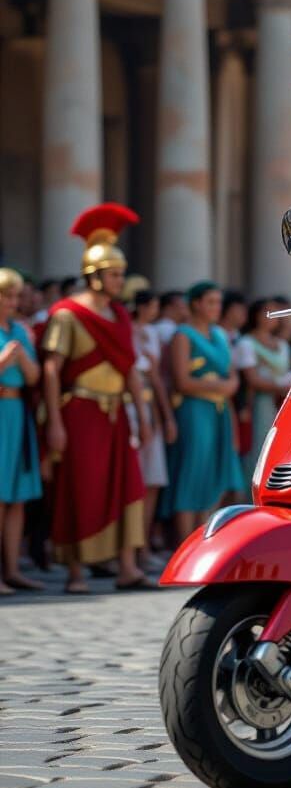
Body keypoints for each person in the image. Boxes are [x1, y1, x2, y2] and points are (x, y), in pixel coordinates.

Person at [40, 204, 152, 592]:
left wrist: (142, 414)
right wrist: (53, 421)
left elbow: (129, 370)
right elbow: (53, 369)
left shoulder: (120, 316)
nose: (121, 281)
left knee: (127, 485)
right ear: (95, 276)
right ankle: (75, 572)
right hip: (79, 411)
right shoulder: (67, 315)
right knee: (80, 488)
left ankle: (127, 567)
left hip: (115, 412)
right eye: (115, 274)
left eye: (121, 274)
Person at [160, 281, 245, 545]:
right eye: (210, 302)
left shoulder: (220, 335)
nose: (216, 307)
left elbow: (233, 377)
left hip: (219, 411)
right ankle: (185, 543)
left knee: (216, 473)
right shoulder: (182, 335)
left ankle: (204, 540)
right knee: (191, 473)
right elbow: (182, 381)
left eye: (218, 302)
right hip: (194, 410)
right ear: (195, 303)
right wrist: (222, 386)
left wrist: (225, 389)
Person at [123, 277, 177, 565]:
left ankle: (142, 546)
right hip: (128, 407)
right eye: (153, 305)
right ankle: (128, 550)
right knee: (134, 480)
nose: (156, 310)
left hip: (148, 405)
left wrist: (165, 415)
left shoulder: (152, 333)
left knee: (153, 480)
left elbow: (155, 378)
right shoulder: (124, 331)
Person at [0, 268, 44, 593]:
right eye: (6, 295)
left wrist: (23, 360)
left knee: (16, 498)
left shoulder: (20, 330)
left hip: (17, 412)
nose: (12, 302)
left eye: (15, 295)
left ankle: (12, 569)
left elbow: (33, 377)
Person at [236, 298, 291, 479]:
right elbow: (252, 379)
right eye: (267, 311)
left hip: (281, 404)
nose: (272, 317)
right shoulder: (246, 342)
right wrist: (283, 386)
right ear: (256, 315)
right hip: (258, 403)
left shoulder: (282, 345)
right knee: (258, 450)